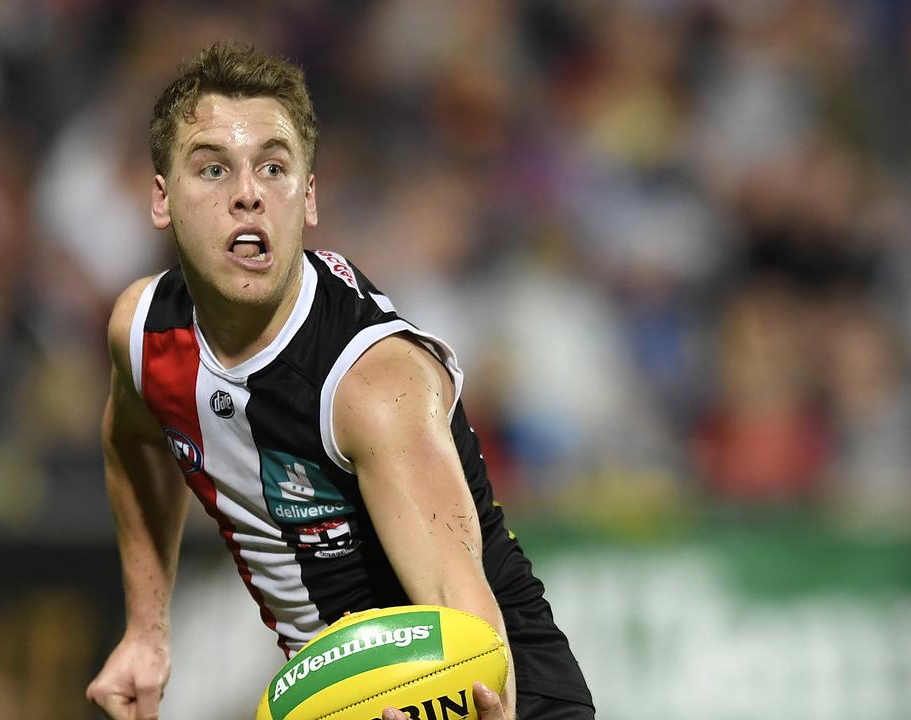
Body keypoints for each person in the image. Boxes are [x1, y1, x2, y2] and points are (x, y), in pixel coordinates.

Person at [85, 42, 594, 720]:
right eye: (212, 168)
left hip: (495, 691)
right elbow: (136, 441)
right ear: (161, 197)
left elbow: (464, 618)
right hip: (348, 693)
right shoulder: (143, 333)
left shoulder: (371, 385)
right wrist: (147, 634)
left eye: (273, 167)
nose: (246, 194)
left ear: (310, 196)